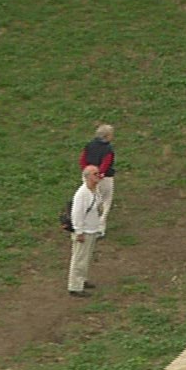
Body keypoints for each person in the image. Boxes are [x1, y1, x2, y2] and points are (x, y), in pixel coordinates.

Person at [67, 165, 105, 296]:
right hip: (84, 231)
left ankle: (82, 280)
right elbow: (77, 214)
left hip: (91, 230)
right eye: (95, 174)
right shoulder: (82, 194)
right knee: (79, 258)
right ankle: (75, 286)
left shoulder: (94, 190)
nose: (98, 176)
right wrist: (79, 232)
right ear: (87, 177)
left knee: (86, 257)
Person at [80, 123, 116, 229]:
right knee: (105, 201)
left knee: (89, 199)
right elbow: (106, 163)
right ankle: (100, 226)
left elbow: (82, 160)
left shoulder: (89, 145)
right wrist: (99, 175)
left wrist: (87, 173)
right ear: (107, 136)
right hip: (104, 178)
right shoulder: (108, 149)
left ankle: (86, 223)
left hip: (88, 177)